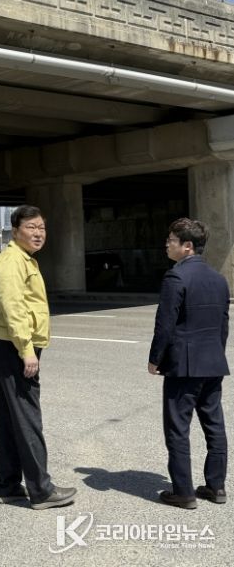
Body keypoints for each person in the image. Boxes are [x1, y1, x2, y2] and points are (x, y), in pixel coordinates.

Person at [0, 204, 77, 510]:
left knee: (10, 417)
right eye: (31, 228)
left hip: (5, 344)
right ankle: (41, 490)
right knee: (27, 417)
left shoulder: (22, 258)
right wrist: (26, 350)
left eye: (42, 228)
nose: (39, 233)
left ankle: (8, 485)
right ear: (15, 232)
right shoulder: (13, 260)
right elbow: (13, 308)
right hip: (14, 346)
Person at [148, 217, 230, 509]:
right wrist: (215, 354)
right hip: (213, 363)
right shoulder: (219, 279)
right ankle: (216, 487)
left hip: (183, 366)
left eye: (171, 240)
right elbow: (223, 325)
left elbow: (165, 324)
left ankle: (183, 492)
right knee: (214, 425)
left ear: (187, 246)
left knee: (178, 428)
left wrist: (155, 358)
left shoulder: (176, 277)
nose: (166, 245)